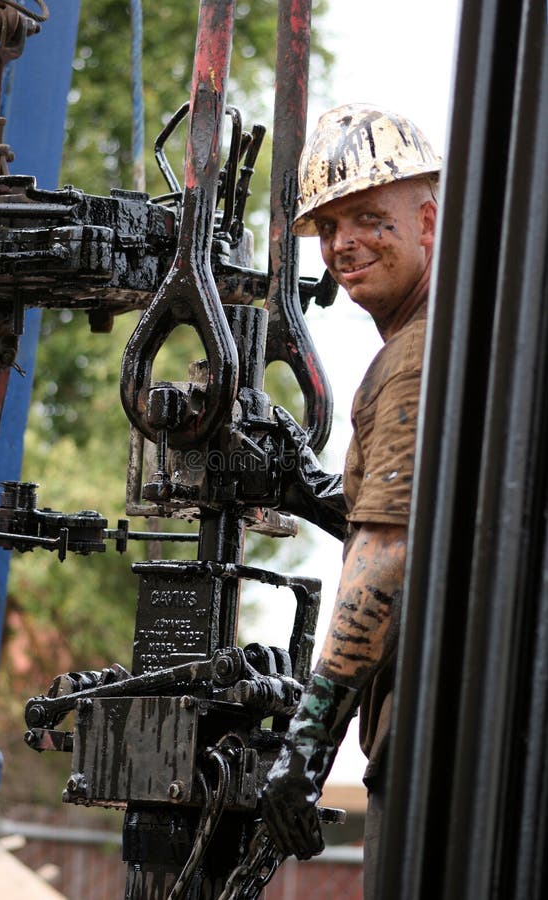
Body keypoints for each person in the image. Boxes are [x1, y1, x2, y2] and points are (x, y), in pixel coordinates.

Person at [261, 102, 441, 897]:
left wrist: (304, 750)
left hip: (438, 743)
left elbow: (392, 555)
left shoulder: (414, 354)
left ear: (429, 220)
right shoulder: (460, 332)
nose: (344, 244)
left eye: (370, 216)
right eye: (328, 226)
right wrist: (310, 492)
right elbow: (430, 525)